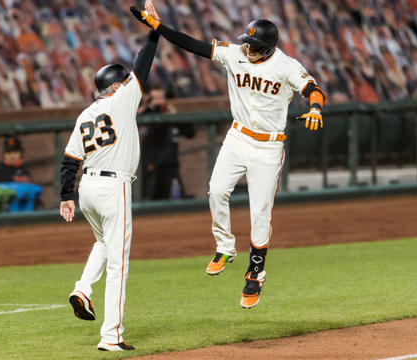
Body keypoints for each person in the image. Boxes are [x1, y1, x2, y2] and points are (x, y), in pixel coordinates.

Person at [131, 1, 327, 309]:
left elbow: (313, 88)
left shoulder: (285, 66)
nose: (247, 47)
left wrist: (315, 107)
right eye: (246, 41)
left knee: (259, 212)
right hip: (238, 137)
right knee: (217, 190)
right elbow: (194, 45)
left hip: (268, 145)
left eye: (253, 44)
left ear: (267, 48)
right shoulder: (234, 53)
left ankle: (256, 271)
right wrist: (158, 27)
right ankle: (225, 246)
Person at [58, 1, 160, 352]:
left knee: (103, 244)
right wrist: (154, 32)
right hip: (114, 186)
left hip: (86, 189)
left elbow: (70, 159)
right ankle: (111, 336)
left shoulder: (86, 112)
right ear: (116, 86)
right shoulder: (121, 99)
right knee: (119, 264)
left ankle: (82, 289)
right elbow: (142, 67)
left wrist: (65, 197)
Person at [140, 84, 195, 200]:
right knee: (150, 197)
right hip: (151, 165)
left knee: (174, 197)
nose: (159, 102)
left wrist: (173, 116)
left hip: (170, 164)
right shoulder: (146, 114)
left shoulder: (169, 114)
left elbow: (190, 133)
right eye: (156, 99)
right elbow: (150, 125)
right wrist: (151, 108)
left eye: (161, 98)